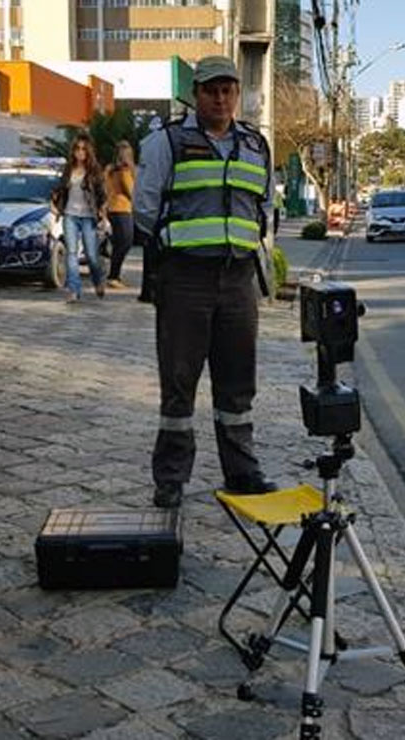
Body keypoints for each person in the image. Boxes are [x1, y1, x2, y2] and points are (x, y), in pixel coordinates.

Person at [133, 55, 277, 509]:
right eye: (211, 89)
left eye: (228, 89)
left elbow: (264, 208)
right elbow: (144, 207)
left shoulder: (257, 145)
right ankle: (171, 480)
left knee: (238, 385)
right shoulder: (166, 143)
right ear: (195, 94)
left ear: (237, 94)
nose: (220, 97)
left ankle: (242, 473)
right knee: (179, 382)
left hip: (238, 282)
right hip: (185, 280)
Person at [51, 133, 108, 303]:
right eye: (77, 148)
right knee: (72, 253)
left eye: (83, 149)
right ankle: (74, 291)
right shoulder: (68, 169)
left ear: (88, 151)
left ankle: (98, 280)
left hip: (88, 217)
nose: (80, 152)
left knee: (91, 255)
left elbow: (102, 195)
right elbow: (60, 190)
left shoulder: (95, 170)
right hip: (70, 215)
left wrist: (102, 214)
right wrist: (54, 204)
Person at [104, 140, 136, 289]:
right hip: (123, 209)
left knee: (119, 244)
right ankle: (113, 276)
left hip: (112, 208)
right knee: (125, 243)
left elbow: (105, 188)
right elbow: (130, 190)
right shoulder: (125, 170)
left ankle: (114, 274)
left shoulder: (109, 169)